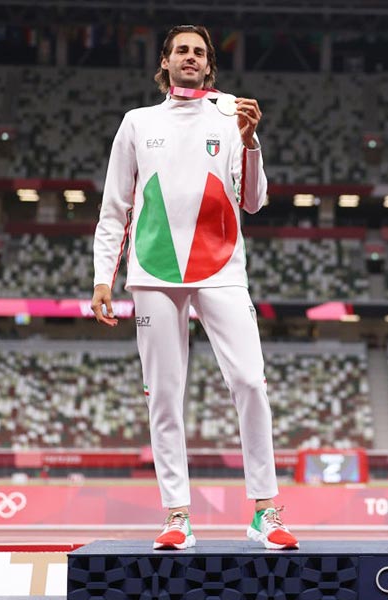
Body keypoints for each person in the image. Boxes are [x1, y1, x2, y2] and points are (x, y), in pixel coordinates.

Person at [91, 24, 297, 551]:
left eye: (199, 52)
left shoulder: (233, 114)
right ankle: (177, 514)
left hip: (221, 265)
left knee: (250, 380)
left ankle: (264, 511)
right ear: (165, 60)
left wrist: (250, 143)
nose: (190, 57)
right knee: (164, 393)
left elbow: (252, 199)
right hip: (153, 272)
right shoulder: (138, 122)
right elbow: (115, 206)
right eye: (181, 50)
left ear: (209, 65)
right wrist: (101, 278)